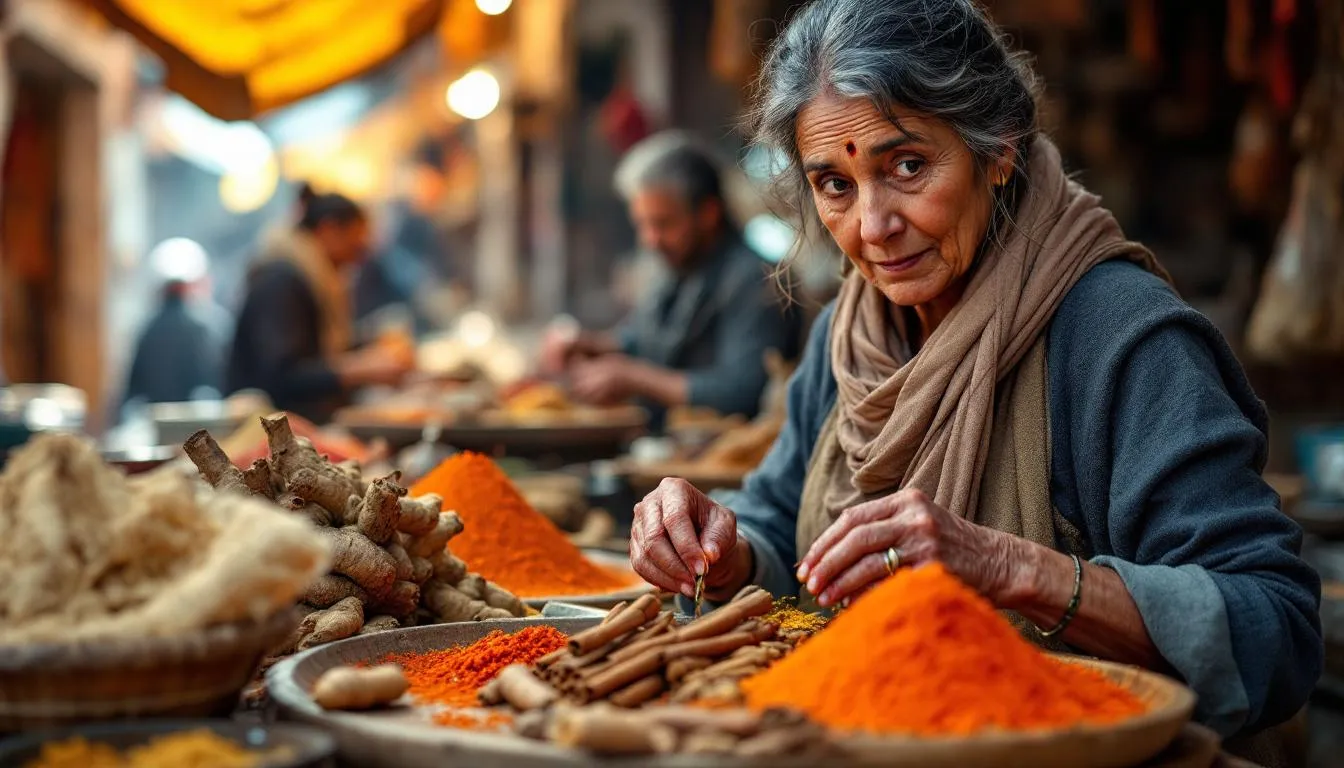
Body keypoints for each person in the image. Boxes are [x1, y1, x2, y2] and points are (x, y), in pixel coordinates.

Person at [628, 1, 1320, 763]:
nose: (873, 224)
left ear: (1000, 151)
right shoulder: (847, 335)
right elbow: (776, 519)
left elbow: (1276, 632)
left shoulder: (1120, 338)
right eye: (835, 184)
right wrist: (720, 547)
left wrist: (1010, 567)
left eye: (908, 166)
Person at [540, 133, 802, 430]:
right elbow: (643, 342)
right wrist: (590, 345)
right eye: (642, 224)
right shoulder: (677, 271)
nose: (650, 240)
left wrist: (634, 377)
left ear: (708, 213)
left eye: (663, 224)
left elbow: (744, 391)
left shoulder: (758, 279)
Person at [227, 186, 413, 423]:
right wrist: (360, 368)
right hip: (270, 432)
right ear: (329, 229)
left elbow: (315, 349)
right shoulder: (280, 280)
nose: (357, 258)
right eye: (355, 245)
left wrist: (372, 349)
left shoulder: (308, 276)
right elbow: (282, 377)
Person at [120, 278, 222, 410]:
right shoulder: (198, 328)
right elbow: (208, 376)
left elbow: (134, 382)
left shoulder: (149, 328)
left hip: (155, 414)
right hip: (190, 415)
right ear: (185, 292)